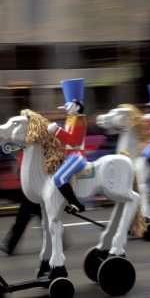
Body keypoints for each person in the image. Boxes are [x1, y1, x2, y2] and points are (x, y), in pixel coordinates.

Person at [47, 78, 87, 213]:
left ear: (76, 106)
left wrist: (57, 131)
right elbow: (65, 139)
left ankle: (76, 204)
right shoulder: (71, 119)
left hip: (77, 155)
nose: (65, 107)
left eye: (68, 105)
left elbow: (74, 141)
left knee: (59, 177)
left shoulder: (80, 120)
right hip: (69, 155)